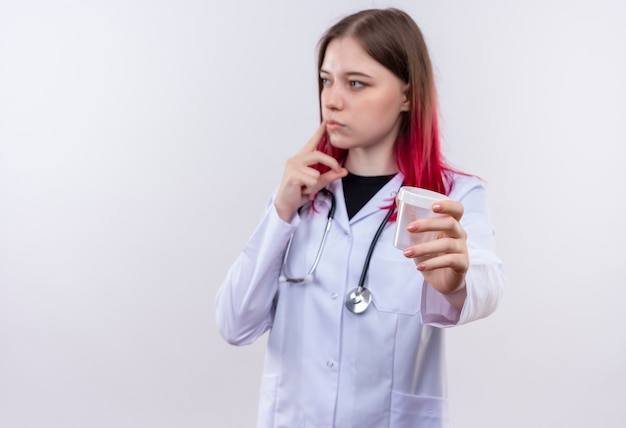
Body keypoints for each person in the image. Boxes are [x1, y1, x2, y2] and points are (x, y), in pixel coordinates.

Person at [215, 7, 504, 428]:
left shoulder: (451, 195)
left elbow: (489, 281)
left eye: (356, 83)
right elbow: (233, 323)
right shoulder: (301, 197)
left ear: (407, 94)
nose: (331, 99)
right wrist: (280, 211)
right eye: (326, 81)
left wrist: (457, 282)